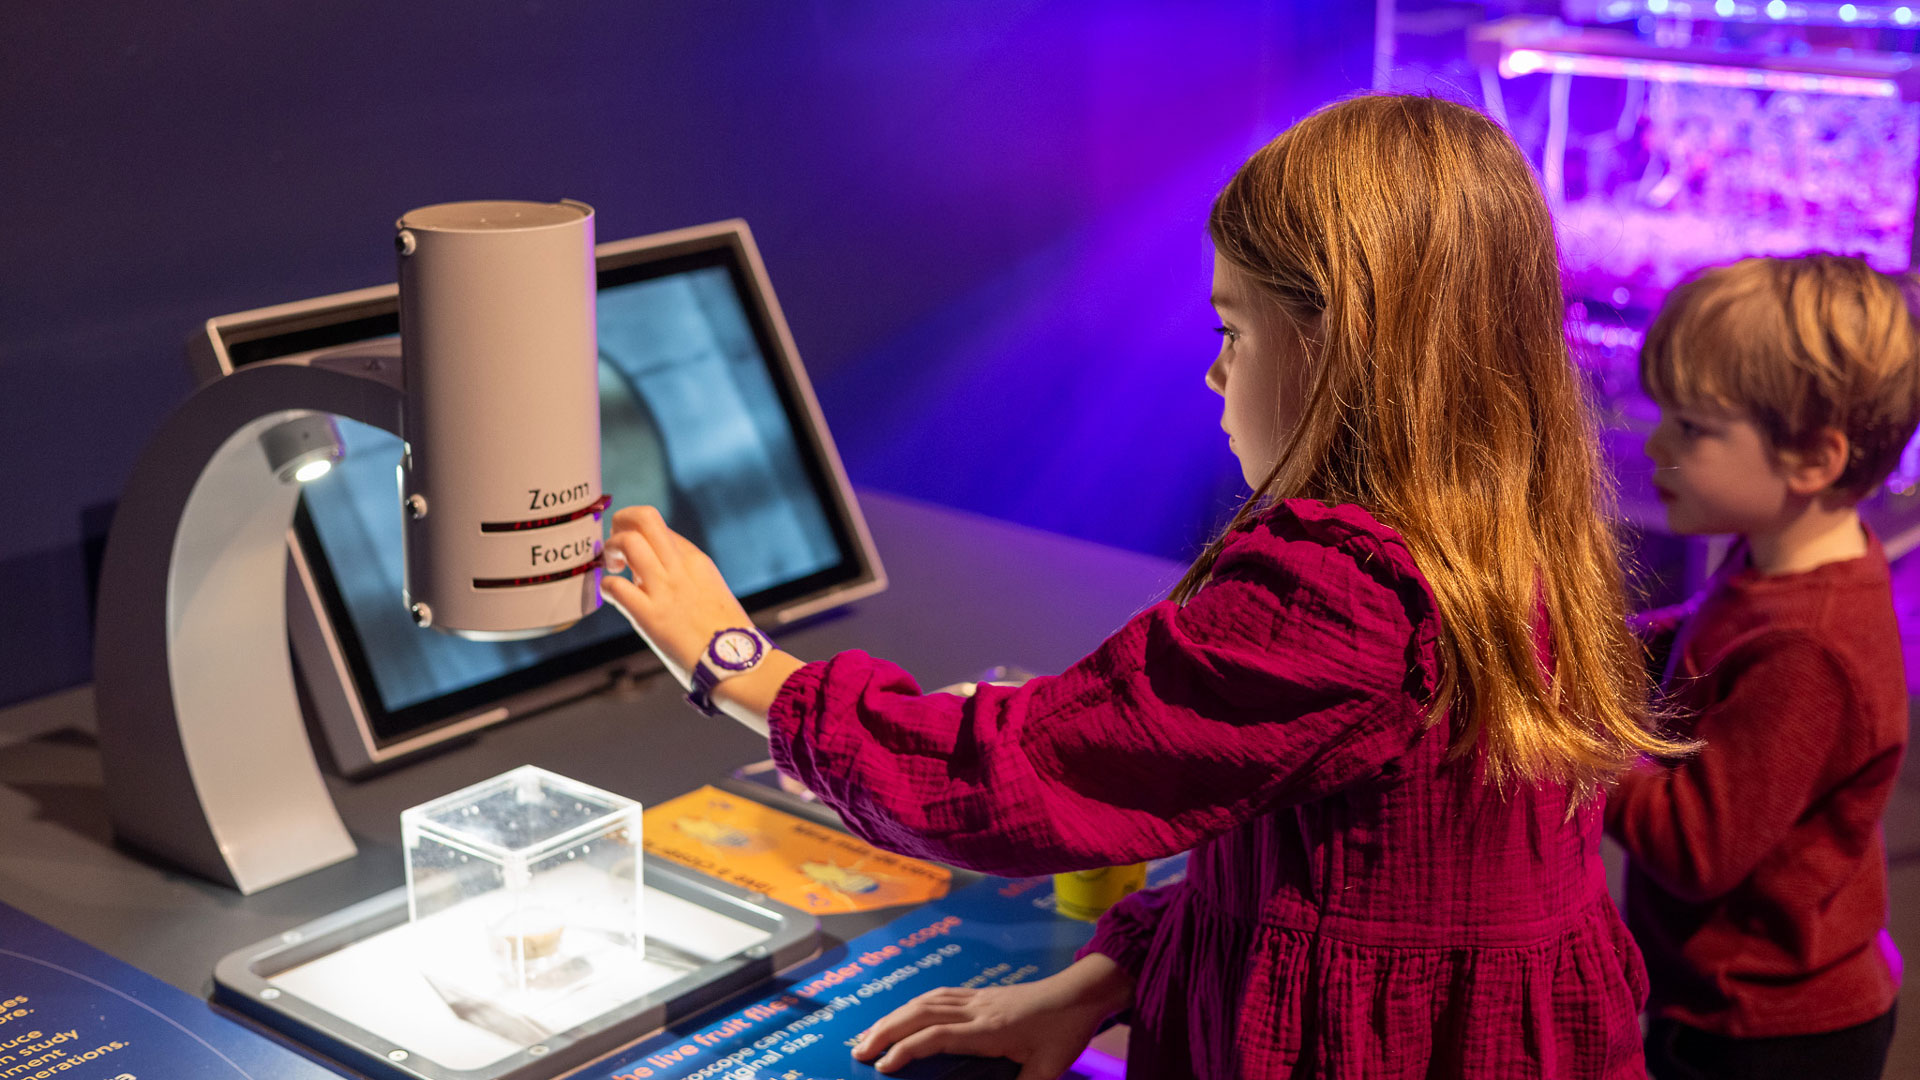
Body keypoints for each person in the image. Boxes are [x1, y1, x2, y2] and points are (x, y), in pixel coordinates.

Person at [600, 93, 1681, 1079]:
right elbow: (1345, 872)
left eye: (1234, 330)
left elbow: (1013, 776)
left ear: (1341, 346)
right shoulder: (1506, 538)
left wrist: (736, 661)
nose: (1215, 372)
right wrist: (1101, 982)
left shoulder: (1339, 593)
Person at [1606, 255, 1919, 1080]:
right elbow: (1715, 633)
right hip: (1737, 1001)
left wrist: (1575, 744)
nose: (1658, 441)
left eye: (1694, 428)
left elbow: (1694, 846)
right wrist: (1611, 643)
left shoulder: (1809, 645)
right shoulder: (1791, 558)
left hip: (1767, 1031)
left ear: (1813, 458)